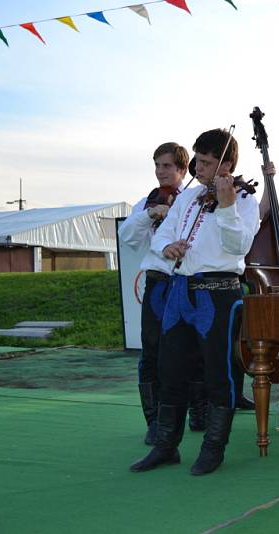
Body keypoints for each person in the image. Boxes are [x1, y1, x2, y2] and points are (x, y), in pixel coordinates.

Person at [129, 128, 260, 475]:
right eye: (198, 162)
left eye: (205, 163)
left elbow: (239, 247)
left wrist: (227, 206)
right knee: (169, 370)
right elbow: (166, 233)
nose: (198, 170)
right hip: (179, 291)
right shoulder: (187, 198)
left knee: (219, 375)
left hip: (218, 293)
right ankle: (166, 446)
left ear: (226, 165)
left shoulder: (244, 201)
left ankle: (213, 449)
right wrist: (166, 247)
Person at [118, 142, 202, 444]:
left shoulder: (195, 200)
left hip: (187, 282)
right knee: (152, 353)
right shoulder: (147, 202)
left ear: (182, 170)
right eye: (157, 165)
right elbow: (126, 237)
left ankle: (197, 412)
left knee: (193, 351)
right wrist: (151, 214)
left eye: (167, 166)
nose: (160, 172)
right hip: (158, 283)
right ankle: (154, 422)